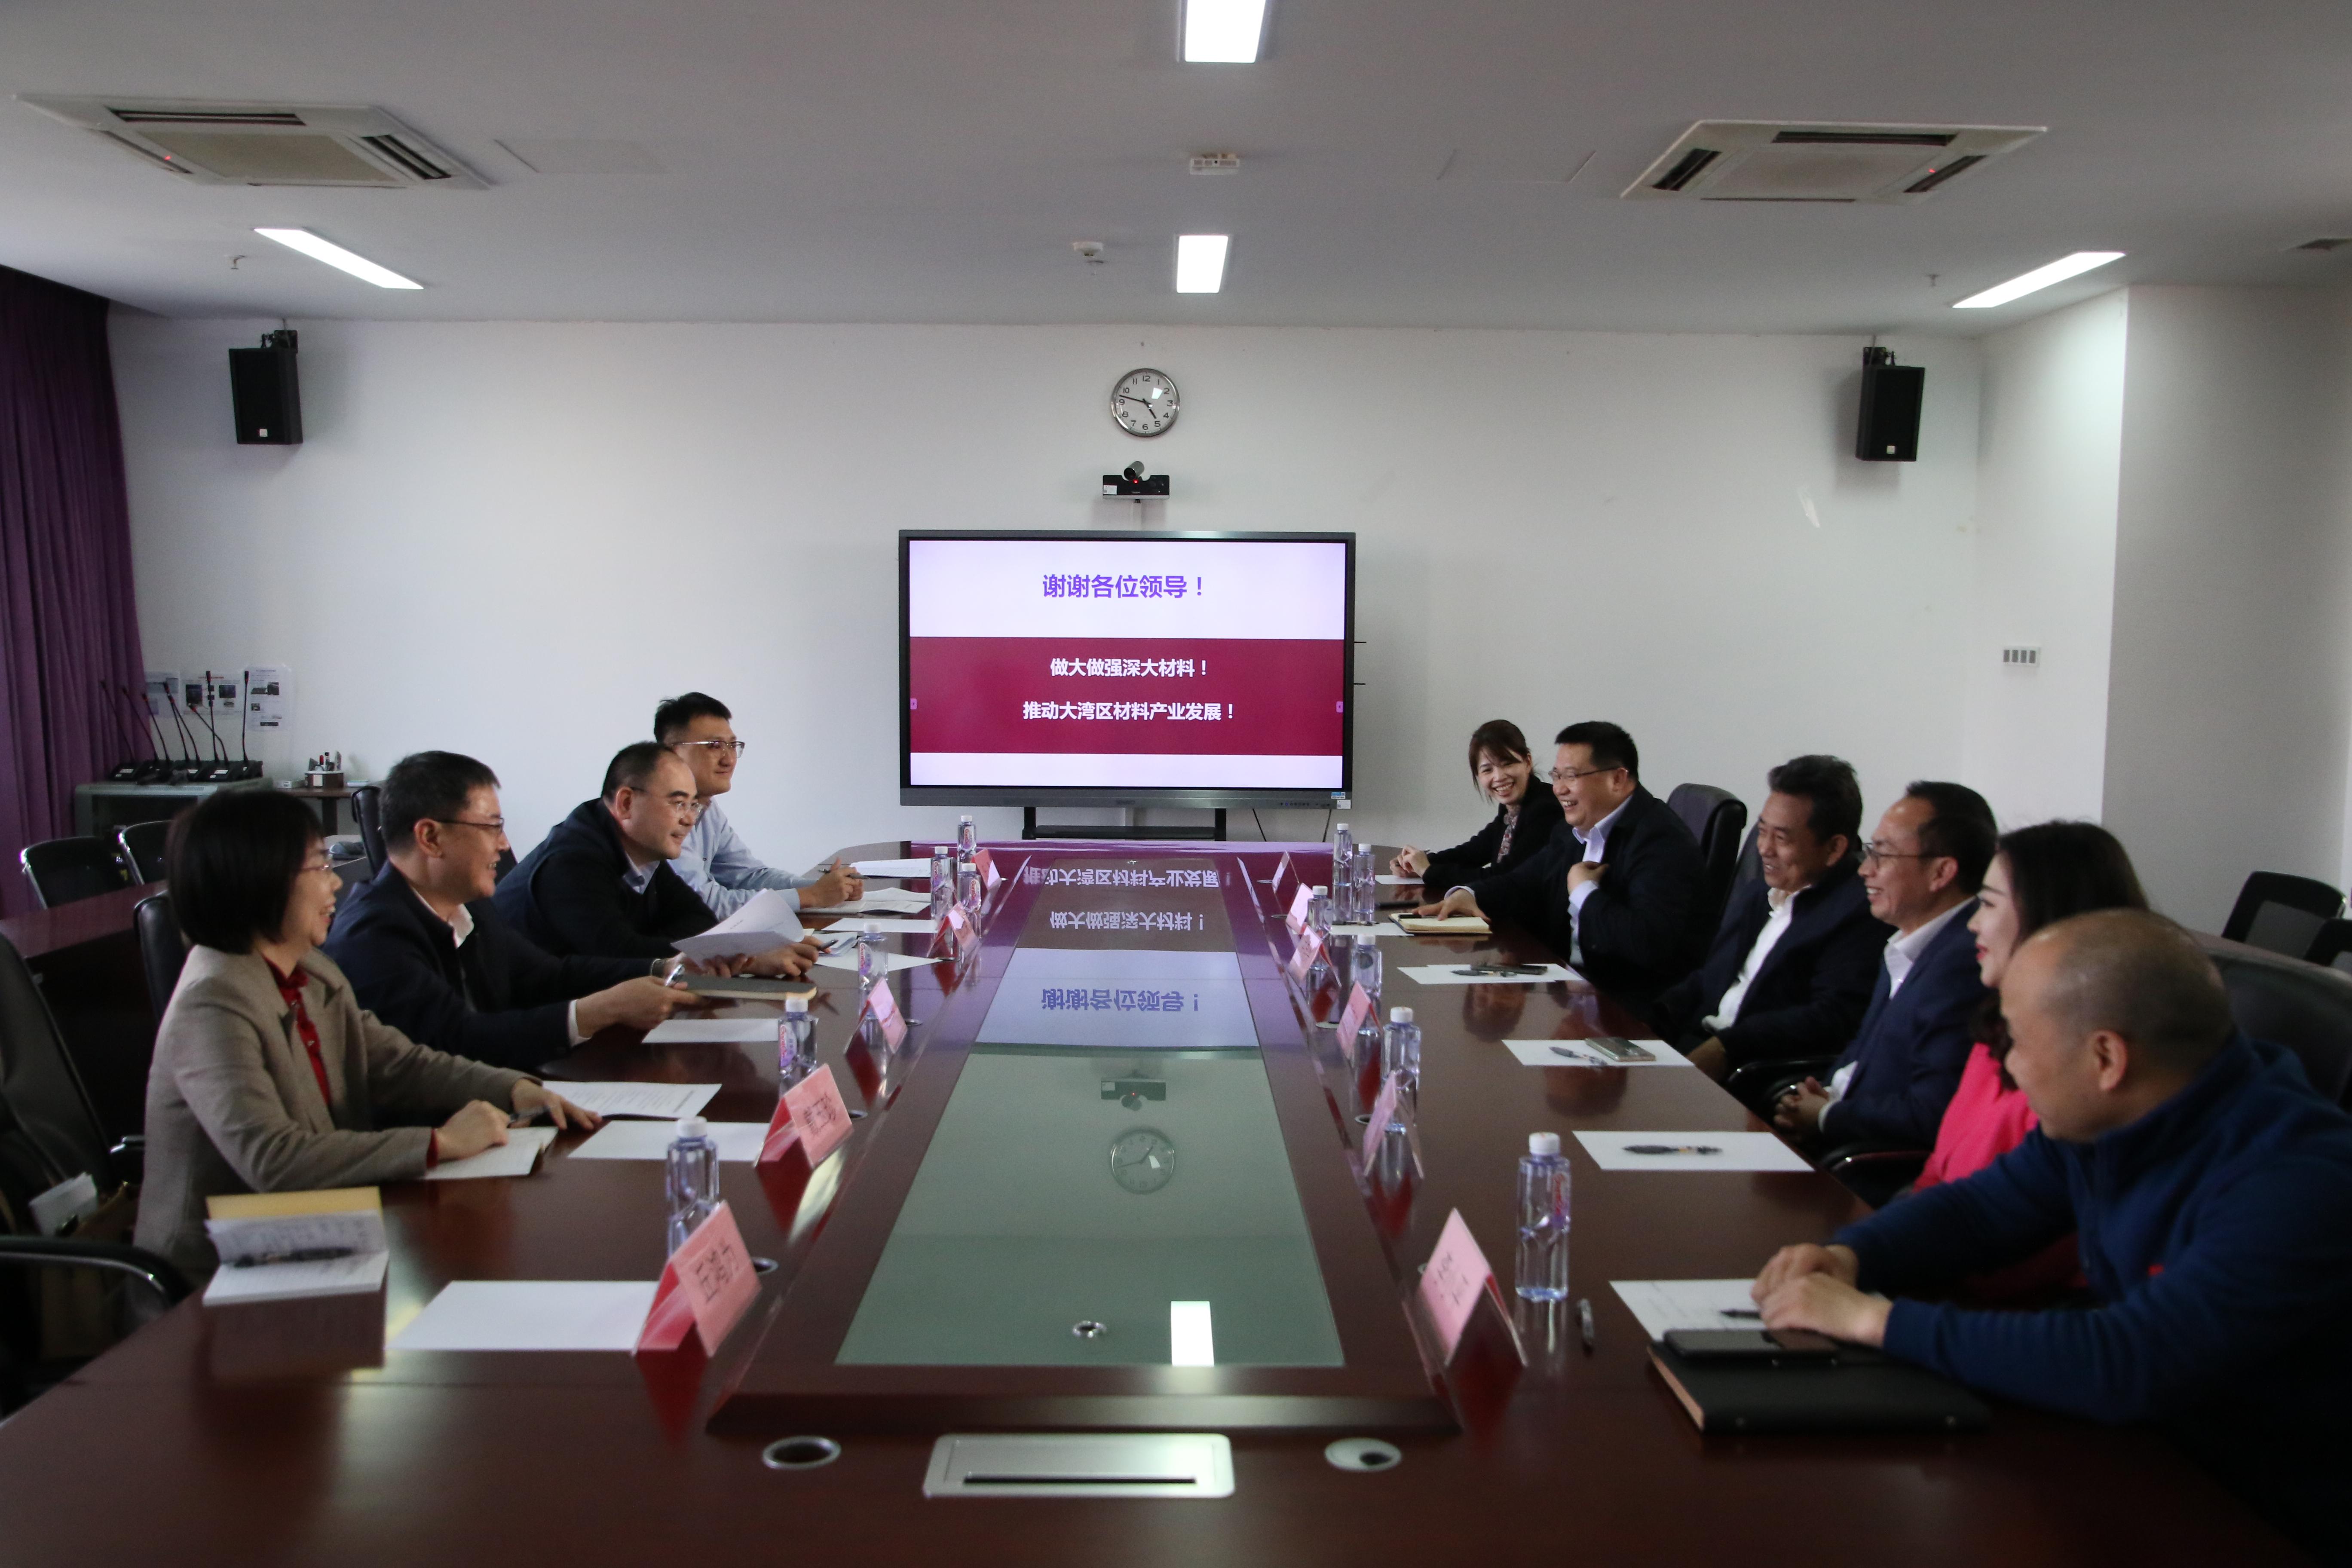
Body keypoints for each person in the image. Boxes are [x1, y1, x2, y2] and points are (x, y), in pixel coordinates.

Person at [1753, 910, 2352, 1565]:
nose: (2006, 1065)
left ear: (2106, 1058)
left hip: (2268, 1511)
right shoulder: (2125, 1116)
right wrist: (1852, 1254)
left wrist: (1873, 1322)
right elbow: (1982, 1211)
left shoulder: (2296, 1182)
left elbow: (2132, 1360)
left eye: (2016, 1041)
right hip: (2146, 1454)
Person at [136, 788, 600, 1278]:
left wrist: (512, 1087)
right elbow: (273, 1159)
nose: (335, 882)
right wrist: (440, 1142)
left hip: (321, 1232)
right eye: (320, 867)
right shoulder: (213, 1001)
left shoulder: (311, 970)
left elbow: (397, 1063)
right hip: (218, 1272)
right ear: (259, 879)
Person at [325, 751, 691, 1072]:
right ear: (431, 838)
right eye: (492, 828)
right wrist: (599, 1011)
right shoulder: (374, 935)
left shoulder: (471, 908)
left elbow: (549, 976)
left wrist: (661, 968)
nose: (503, 845)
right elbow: (455, 1041)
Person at [1919, 820, 2149, 1190]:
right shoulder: (1998, 1027)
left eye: (1988, 904)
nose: (1973, 924)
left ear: (2047, 917)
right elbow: (1939, 1170)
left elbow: (2004, 1209)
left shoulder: (2076, 1080)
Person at [1418, 721, 1710, 1010]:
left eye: (1571, 777)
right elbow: (1525, 879)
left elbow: (1647, 943)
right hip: (1567, 987)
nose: (1559, 789)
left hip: (1625, 1006)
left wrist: (1583, 892)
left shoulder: (1660, 841)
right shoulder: (1575, 830)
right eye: (1557, 776)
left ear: (1617, 779)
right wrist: (1470, 895)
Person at [1772, 781, 1994, 1155]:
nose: (1865, 870)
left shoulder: (1963, 967)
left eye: (1883, 855)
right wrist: (1820, 1095)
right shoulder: (1906, 942)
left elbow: (1931, 1113)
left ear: (1941, 873)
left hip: (1867, 1166)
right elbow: (1863, 1055)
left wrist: (1827, 1115)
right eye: (1869, 852)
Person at [1648, 755, 1888, 1081]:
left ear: (1834, 849)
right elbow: (1713, 974)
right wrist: (1655, 1018)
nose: (1764, 848)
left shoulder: (1859, 912)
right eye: (1762, 832)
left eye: (1782, 838)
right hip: (1696, 1043)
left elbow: (1831, 1017)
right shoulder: (1765, 888)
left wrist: (1727, 1046)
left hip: (1745, 1070)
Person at [494, 742, 818, 973]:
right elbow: (616, 954)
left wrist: (713, 952)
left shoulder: (644, 851)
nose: (689, 820)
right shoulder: (572, 863)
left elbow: (699, 919)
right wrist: (744, 957)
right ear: (626, 803)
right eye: (678, 804)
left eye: (693, 806)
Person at [657, 692, 861, 916]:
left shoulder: (708, 809)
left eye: (733, 745)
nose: (729, 759)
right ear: (674, 752)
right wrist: (811, 896)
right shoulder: (661, 814)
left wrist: (824, 888)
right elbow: (704, 904)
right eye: (715, 746)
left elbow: (749, 876)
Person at [1391, 719, 1565, 900]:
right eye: (1487, 770)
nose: (1499, 777)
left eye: (1507, 764)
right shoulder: (1513, 808)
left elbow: (1503, 877)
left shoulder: (1545, 810)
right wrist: (1418, 862)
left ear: (1528, 762)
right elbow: (1472, 852)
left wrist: (1428, 871)